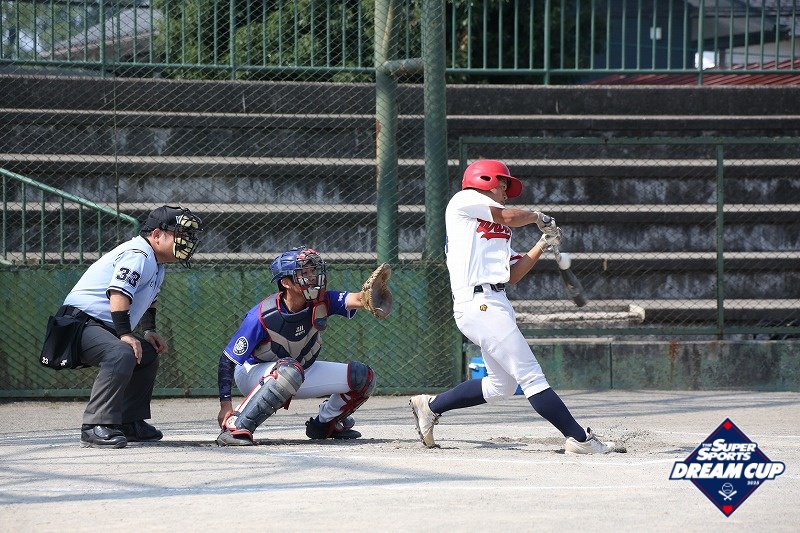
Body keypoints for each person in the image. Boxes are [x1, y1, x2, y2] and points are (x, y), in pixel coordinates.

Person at [409, 159, 614, 454]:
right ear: (484, 181)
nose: (506, 193)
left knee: (501, 385)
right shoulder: (464, 201)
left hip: (496, 302)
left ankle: (430, 406)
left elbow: (514, 273)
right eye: (502, 185)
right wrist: (537, 217)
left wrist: (542, 243)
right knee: (530, 375)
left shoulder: (496, 230)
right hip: (478, 303)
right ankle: (579, 438)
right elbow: (508, 216)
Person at [56, 205, 204, 448]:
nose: (187, 241)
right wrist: (125, 334)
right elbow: (118, 293)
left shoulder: (156, 262)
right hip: (76, 325)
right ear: (157, 234)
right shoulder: (138, 254)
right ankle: (94, 426)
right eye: (181, 234)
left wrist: (148, 330)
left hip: (98, 326)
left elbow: (149, 300)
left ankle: (128, 421)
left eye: (188, 236)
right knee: (121, 352)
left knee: (147, 353)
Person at [215, 246, 377, 446]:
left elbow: (358, 298)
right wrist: (225, 405)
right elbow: (227, 360)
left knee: (362, 378)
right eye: (303, 273)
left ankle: (325, 424)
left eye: (312, 271)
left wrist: (371, 297)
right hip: (253, 373)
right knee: (288, 371)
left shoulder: (321, 300)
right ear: (286, 283)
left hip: (297, 370)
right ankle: (235, 427)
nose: (312, 277)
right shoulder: (262, 316)